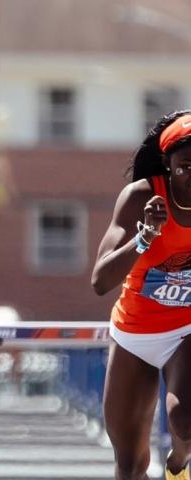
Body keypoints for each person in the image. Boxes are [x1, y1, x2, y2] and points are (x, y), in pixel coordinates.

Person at [92, 109, 191, 480]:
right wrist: (145, 236)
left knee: (185, 423)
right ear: (168, 166)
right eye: (186, 167)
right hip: (135, 334)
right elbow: (100, 281)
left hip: (186, 331)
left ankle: (178, 465)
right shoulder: (142, 197)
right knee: (130, 466)